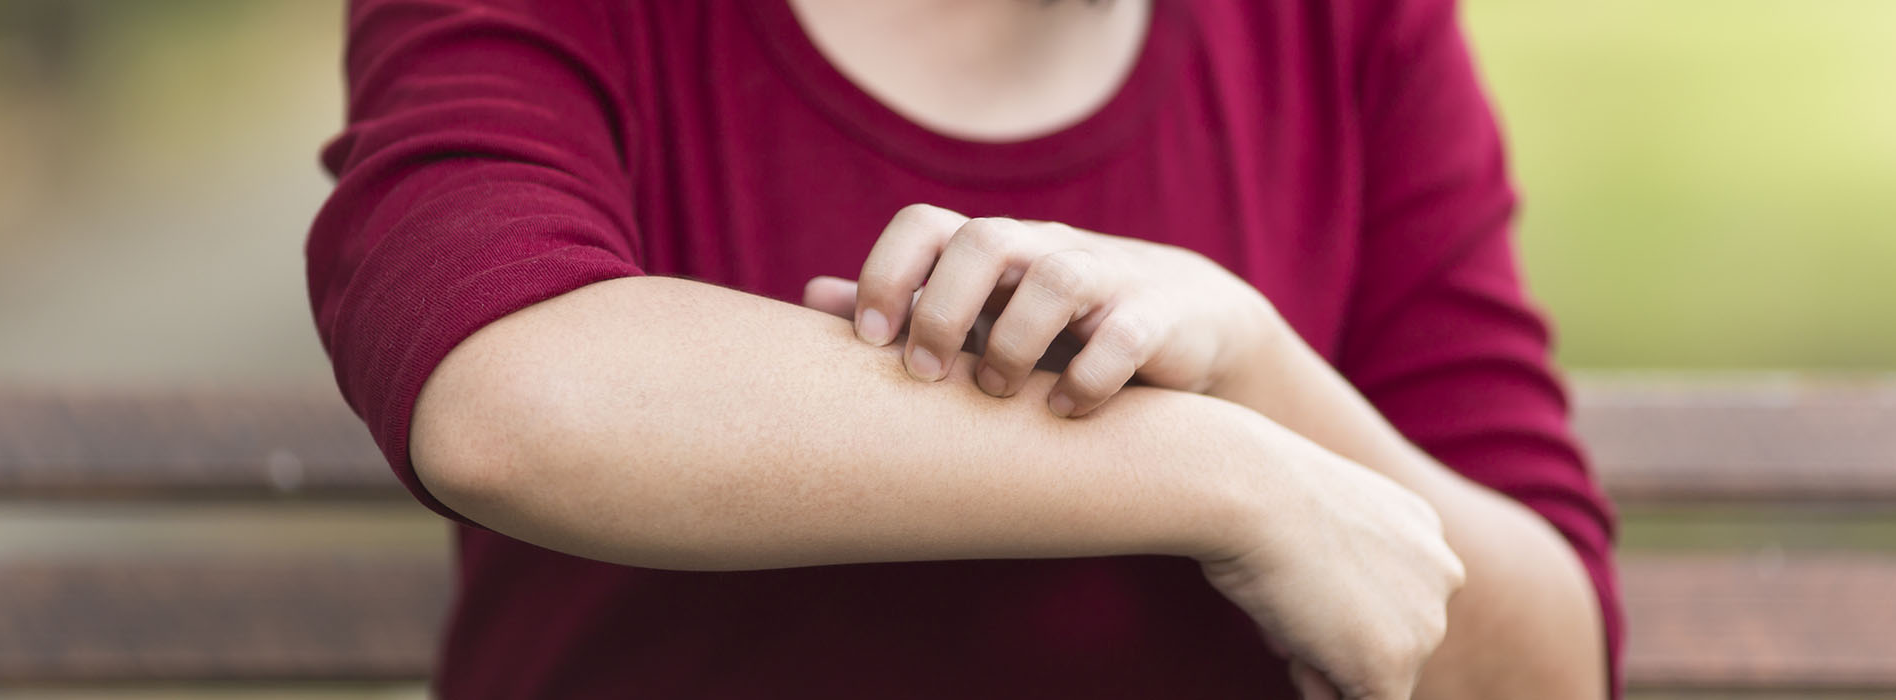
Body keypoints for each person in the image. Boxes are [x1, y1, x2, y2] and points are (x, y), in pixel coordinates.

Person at [306, 0, 1620, 697]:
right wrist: (1228, 476)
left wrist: (1254, 363)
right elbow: (512, 393)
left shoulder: (1352, 26)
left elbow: (1550, 672)